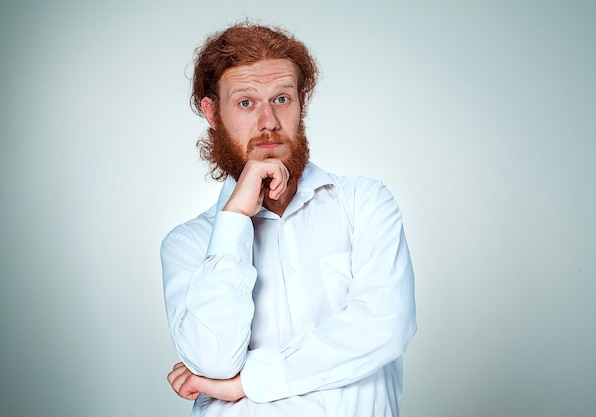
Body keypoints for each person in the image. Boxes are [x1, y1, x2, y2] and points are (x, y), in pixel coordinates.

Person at [160, 21, 417, 417]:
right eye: (246, 103)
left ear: (301, 101)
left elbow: (385, 325)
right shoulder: (188, 246)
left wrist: (244, 383)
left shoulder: (364, 203)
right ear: (212, 113)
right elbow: (212, 362)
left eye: (281, 99)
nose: (268, 122)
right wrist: (235, 219)